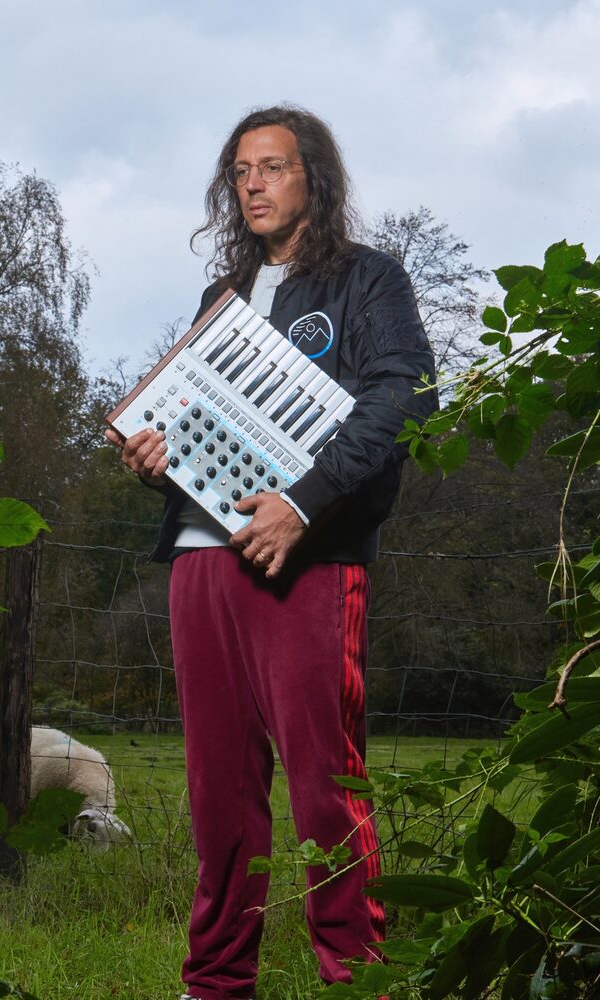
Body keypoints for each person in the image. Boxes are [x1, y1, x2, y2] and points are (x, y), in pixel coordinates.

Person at [105, 106, 436, 1000]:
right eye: (241, 170)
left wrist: (301, 503)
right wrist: (154, 461)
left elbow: (402, 400)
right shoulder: (220, 299)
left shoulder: (369, 281)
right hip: (199, 562)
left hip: (309, 562)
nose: (253, 184)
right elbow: (192, 434)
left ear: (313, 181)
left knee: (326, 792)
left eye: (273, 168)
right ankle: (214, 985)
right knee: (219, 798)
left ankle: (355, 980)